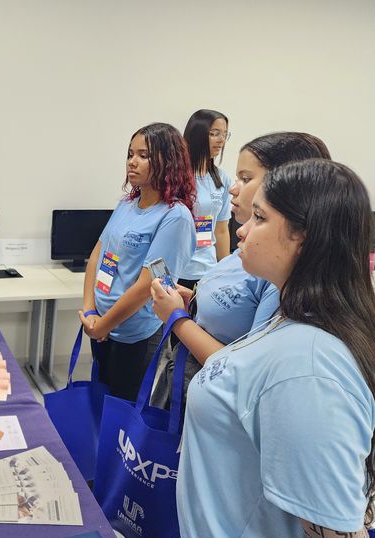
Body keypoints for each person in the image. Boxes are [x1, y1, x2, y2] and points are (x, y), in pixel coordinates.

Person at [176, 159, 375, 536]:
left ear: (303, 236)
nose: (242, 230)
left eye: (260, 218)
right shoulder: (287, 320)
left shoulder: (309, 368)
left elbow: (335, 528)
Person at [150, 132, 331, 409]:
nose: (233, 189)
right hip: (191, 387)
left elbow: (247, 372)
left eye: (246, 179)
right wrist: (192, 304)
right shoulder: (246, 248)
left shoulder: (279, 275)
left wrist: (177, 319)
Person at [79, 123, 196, 400]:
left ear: (169, 161)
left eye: (144, 155)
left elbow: (148, 286)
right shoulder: (126, 205)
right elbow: (97, 255)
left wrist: (103, 325)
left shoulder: (174, 217)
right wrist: (90, 311)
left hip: (135, 336)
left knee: (122, 412)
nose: (132, 161)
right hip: (101, 325)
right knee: (100, 402)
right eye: (130, 154)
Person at [178, 109, 233, 289]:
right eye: (214, 134)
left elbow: (221, 230)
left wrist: (224, 272)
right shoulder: (175, 178)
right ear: (197, 135)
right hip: (177, 269)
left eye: (224, 134)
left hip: (207, 270)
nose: (221, 140)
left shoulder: (222, 179)